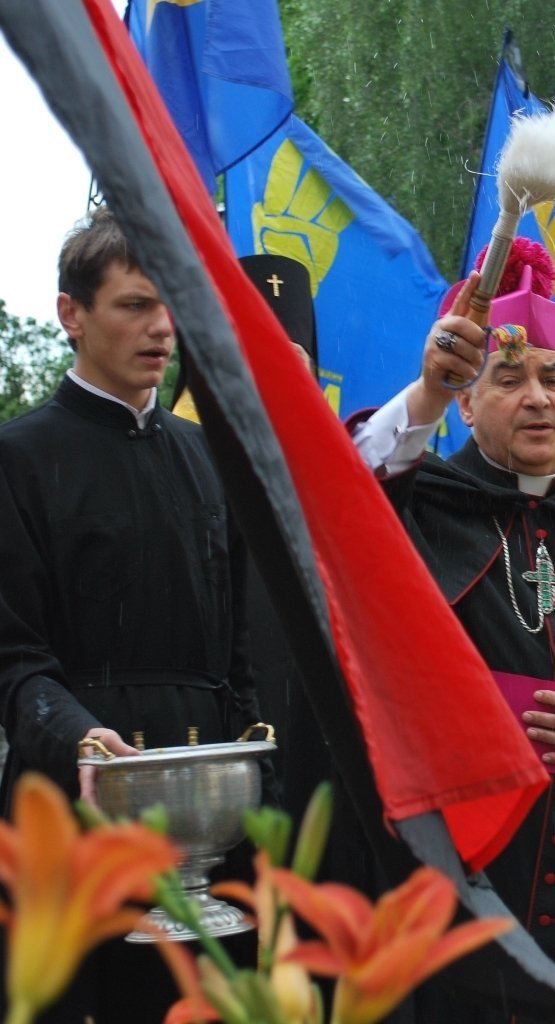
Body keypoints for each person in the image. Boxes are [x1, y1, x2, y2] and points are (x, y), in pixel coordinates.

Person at [351, 245, 555, 1024]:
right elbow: (343, 501)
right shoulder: (419, 505)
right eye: (508, 378)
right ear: (465, 405)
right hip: (465, 869)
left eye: (554, 378)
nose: (537, 398)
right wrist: (430, 385)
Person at [0, 208, 262, 1022]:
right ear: (71, 314)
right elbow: (13, 657)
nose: (161, 328)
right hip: (73, 802)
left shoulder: (209, 458)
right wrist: (79, 738)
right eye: (134, 305)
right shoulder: (17, 458)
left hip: (213, 813)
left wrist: (255, 765)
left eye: (168, 304)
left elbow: (241, 649)